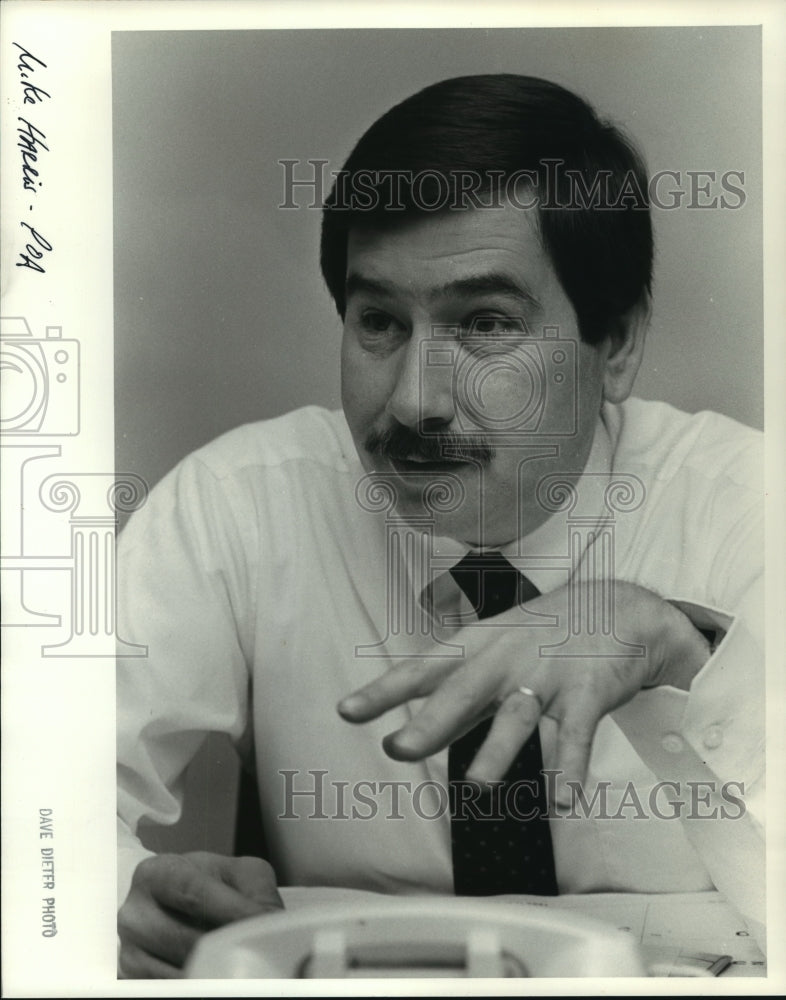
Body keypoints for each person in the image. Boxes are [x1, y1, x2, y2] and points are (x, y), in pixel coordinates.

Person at [116, 74, 764, 978]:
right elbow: (37, 800)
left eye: (486, 324)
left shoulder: (753, 511)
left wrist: (680, 650)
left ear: (614, 343)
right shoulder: (238, 506)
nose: (417, 400)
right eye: (378, 321)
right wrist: (111, 897)